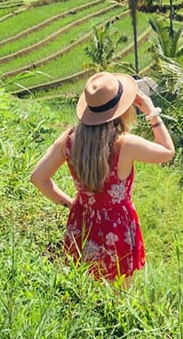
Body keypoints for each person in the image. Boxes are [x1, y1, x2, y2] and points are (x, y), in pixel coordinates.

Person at [30, 71, 175, 284]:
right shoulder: (125, 143)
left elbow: (38, 178)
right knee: (118, 296)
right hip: (117, 227)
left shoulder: (69, 139)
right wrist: (151, 111)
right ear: (121, 109)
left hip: (82, 222)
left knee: (84, 290)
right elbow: (167, 151)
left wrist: (71, 204)